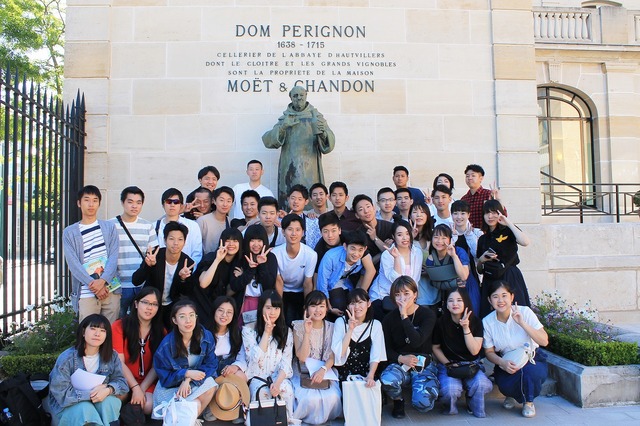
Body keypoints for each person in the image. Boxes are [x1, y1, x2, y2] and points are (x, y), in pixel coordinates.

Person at [483, 281, 548, 418]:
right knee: (504, 382)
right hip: (507, 359)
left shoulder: (525, 312)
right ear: (489, 300)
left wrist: (522, 323)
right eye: (495, 297)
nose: (500, 300)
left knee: (529, 373)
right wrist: (502, 363)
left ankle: (528, 402)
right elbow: (489, 352)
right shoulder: (487, 322)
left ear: (512, 297)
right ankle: (511, 395)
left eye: (504, 295)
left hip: (532, 356)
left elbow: (544, 341)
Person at [49, 314, 128, 426]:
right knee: (85, 408)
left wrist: (108, 389)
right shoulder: (67, 358)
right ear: (83, 332)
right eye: (93, 329)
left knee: (109, 402)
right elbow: (61, 394)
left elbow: (122, 384)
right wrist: (92, 395)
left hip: (97, 403)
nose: (97, 334)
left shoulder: (112, 356)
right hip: (69, 405)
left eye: (102, 330)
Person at [262, 86, 335, 207]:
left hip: (310, 167)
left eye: (301, 95)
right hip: (289, 167)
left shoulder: (316, 116)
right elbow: (268, 140)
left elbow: (329, 142)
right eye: (295, 96)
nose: (299, 98)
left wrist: (323, 133)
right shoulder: (286, 118)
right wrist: (283, 127)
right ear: (291, 98)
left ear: (306, 95)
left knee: (311, 199)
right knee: (290, 201)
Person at [380, 276, 438, 418]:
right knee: (387, 379)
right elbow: (385, 348)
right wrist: (400, 358)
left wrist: (404, 317)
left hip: (423, 363)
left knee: (423, 404)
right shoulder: (388, 319)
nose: (402, 298)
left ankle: (422, 387)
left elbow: (416, 341)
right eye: (397, 294)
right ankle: (398, 400)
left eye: (406, 293)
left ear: (415, 294)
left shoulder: (427, 315)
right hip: (400, 362)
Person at [152, 299, 218, 420]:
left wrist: (188, 378)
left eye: (191, 315)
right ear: (174, 320)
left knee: (210, 385)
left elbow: (211, 364)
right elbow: (165, 378)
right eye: (182, 317)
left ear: (196, 317)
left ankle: (188, 419)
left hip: (194, 383)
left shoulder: (206, 336)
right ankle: (187, 419)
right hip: (172, 388)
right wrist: (185, 374)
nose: (188, 321)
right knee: (194, 403)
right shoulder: (166, 345)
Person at [63, 185, 121, 322]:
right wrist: (94, 285)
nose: (91, 204)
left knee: (111, 330)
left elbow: (113, 256)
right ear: (79, 203)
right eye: (87, 200)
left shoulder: (109, 227)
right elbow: (73, 264)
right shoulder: (69, 232)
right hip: (86, 291)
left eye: (95, 200)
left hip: (110, 288)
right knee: (88, 330)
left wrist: (103, 281)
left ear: (99, 203)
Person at [432, 288, 492, 418]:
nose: (455, 304)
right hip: (450, 365)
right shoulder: (441, 323)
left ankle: (472, 401)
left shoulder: (476, 322)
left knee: (482, 384)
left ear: (466, 302)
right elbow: (435, 347)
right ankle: (449, 407)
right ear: (446, 304)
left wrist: (466, 328)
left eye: (459, 300)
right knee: (450, 390)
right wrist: (447, 364)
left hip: (471, 365)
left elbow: (474, 350)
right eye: (451, 300)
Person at [241, 290, 298, 423]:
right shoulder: (249, 329)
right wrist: (266, 333)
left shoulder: (286, 331)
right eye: (268, 308)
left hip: (279, 377)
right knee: (262, 392)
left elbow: (286, 361)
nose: (272, 312)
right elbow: (255, 358)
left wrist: (277, 383)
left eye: (276, 308)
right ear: (261, 308)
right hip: (258, 377)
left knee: (286, 390)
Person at [132, 221, 196, 329]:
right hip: (151, 304)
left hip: (171, 306)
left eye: (180, 239)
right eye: (171, 239)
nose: (175, 243)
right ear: (165, 240)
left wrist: (182, 279)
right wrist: (148, 266)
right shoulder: (155, 256)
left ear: (185, 242)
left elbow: (186, 293)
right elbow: (136, 280)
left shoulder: (187, 262)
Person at [112, 287, 165, 416]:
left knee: (147, 406)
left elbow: (156, 367)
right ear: (136, 304)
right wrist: (135, 388)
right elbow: (119, 362)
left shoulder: (161, 332)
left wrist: (140, 389)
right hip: (123, 379)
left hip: (146, 381)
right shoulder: (119, 326)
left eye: (154, 304)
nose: (149, 308)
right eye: (145, 302)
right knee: (117, 400)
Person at [291, 291, 342, 424]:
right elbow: (302, 357)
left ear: (327, 308)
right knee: (308, 399)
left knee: (333, 397)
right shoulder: (298, 325)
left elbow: (332, 356)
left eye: (321, 306)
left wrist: (323, 370)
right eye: (313, 306)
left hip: (325, 369)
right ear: (306, 308)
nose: (318, 310)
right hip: (302, 370)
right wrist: (307, 332)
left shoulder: (333, 327)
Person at [476, 200, 531, 318]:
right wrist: (481, 260)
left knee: (516, 313)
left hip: (510, 276)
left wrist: (507, 222)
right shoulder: (483, 239)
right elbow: (479, 270)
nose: (490, 216)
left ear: (500, 213)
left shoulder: (508, 231)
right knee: (490, 316)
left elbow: (525, 242)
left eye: (494, 212)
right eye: (487, 213)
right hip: (490, 279)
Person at [111, 186, 158, 317]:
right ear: (122, 202)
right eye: (130, 202)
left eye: (138, 202)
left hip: (141, 284)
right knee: (118, 321)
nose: (134, 206)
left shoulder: (148, 226)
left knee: (140, 321)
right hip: (118, 285)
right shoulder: (110, 225)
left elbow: (153, 253)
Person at [331, 288, 386, 385]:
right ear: (348, 306)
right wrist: (350, 329)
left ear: (368, 303)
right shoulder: (340, 322)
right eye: (352, 303)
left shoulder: (375, 325)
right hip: (344, 374)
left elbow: (376, 355)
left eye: (360, 302)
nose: (357, 307)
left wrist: (370, 375)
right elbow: (340, 354)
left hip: (367, 374)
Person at [369, 219, 422, 321]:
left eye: (407, 233)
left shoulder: (417, 252)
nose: (404, 238)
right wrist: (396, 257)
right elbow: (396, 280)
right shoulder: (387, 255)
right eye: (399, 235)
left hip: (406, 298)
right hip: (384, 297)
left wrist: (412, 298)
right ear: (393, 236)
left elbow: (415, 278)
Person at [192, 228, 243, 332]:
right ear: (222, 242)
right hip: (200, 304)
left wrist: (241, 278)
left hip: (218, 308)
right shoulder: (211, 257)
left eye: (235, 241)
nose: (231, 244)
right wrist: (217, 260)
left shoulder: (238, 264)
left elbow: (228, 292)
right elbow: (203, 283)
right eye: (228, 240)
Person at [272, 214, 318, 326]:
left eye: (298, 230)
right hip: (283, 291)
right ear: (283, 232)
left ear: (303, 232)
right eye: (290, 229)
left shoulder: (311, 254)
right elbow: (278, 282)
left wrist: (307, 306)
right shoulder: (275, 253)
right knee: (284, 320)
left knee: (301, 321)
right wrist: (280, 307)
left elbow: (307, 283)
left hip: (301, 291)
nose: (294, 234)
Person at [229, 224, 277, 327]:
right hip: (243, 303)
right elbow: (234, 286)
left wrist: (262, 264)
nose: (256, 244)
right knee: (243, 331)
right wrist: (250, 270)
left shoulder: (271, 258)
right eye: (252, 240)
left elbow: (269, 285)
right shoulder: (240, 257)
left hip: (263, 303)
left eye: (259, 240)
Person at [316, 231, 370, 319]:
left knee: (358, 308)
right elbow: (322, 282)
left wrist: (359, 290)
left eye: (360, 250)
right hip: (331, 284)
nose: (356, 254)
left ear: (365, 249)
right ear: (345, 246)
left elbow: (366, 272)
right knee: (340, 307)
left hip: (347, 283)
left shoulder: (364, 258)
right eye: (353, 249)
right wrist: (329, 307)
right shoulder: (331, 257)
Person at [426, 224, 473, 313]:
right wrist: (454, 282)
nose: (439, 241)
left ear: (450, 239)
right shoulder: (430, 259)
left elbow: (463, 276)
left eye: (444, 238)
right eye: (436, 237)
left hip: (466, 291)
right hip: (446, 295)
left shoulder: (459, 252)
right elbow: (435, 283)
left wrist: (454, 256)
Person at [155, 188, 203, 266]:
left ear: (181, 205)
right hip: (160, 271)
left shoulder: (193, 226)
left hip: (187, 270)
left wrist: (189, 269)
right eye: (168, 202)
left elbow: (197, 254)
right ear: (163, 205)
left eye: (176, 202)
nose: (172, 205)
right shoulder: (154, 227)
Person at [451, 200, 483, 314]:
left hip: (472, 277)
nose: (459, 217)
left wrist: (469, 235)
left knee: (474, 310)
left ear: (468, 215)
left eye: (463, 213)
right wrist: (452, 238)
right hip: (452, 279)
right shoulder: (447, 233)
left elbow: (478, 254)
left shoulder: (477, 233)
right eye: (455, 213)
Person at [409, 203, 438, 310]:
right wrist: (411, 237)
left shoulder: (434, 235)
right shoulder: (406, 235)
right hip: (415, 285)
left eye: (422, 212)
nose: (418, 215)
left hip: (433, 283)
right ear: (410, 216)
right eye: (415, 212)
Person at [352, 194, 394, 269]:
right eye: (361, 209)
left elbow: (395, 253)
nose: (366, 211)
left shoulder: (390, 227)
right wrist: (385, 250)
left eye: (368, 207)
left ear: (374, 208)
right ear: (357, 215)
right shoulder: (357, 235)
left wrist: (375, 238)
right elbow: (366, 264)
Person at [280, 184, 321, 249]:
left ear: (306, 202)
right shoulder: (279, 220)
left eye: (300, 199)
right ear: (288, 199)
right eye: (293, 198)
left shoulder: (313, 222)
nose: (296, 201)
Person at [460, 164, 501, 228]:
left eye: (473, 175)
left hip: (485, 232)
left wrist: (497, 200)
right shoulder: (463, 199)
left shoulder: (488, 194)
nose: (469, 178)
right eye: (467, 176)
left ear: (481, 178)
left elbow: (502, 215)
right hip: (469, 233)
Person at [197, 186, 234, 255]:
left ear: (232, 204)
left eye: (228, 201)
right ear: (214, 201)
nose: (225, 204)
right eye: (221, 200)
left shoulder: (231, 222)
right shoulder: (203, 221)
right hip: (208, 260)